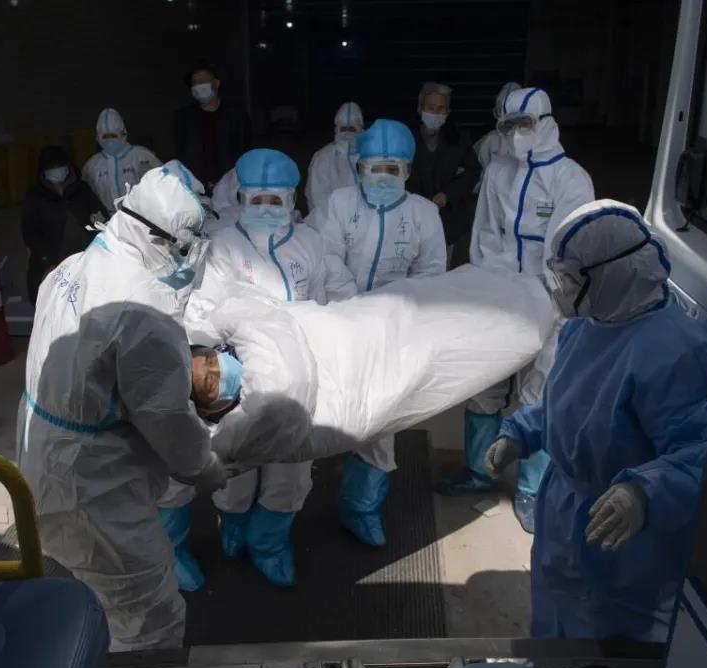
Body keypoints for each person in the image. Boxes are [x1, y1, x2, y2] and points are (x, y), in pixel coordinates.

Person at [483, 199, 707, 642]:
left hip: (622, 536)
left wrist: (643, 493)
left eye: (572, 278)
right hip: (563, 511)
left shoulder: (675, 352)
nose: (561, 290)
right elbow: (569, 404)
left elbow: (702, 452)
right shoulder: (588, 324)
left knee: (608, 649)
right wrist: (522, 431)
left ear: (616, 272)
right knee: (554, 619)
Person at [18, 164, 228, 651]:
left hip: (46, 450)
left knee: (94, 589)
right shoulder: (144, 310)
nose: (190, 257)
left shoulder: (76, 264)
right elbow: (166, 418)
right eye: (186, 246)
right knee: (147, 614)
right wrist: (207, 466)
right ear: (157, 238)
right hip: (94, 482)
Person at [159, 148, 344, 589]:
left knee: (290, 470)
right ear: (239, 198)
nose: (265, 208)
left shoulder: (311, 244)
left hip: (299, 381)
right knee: (236, 466)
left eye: (274, 199)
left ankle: (270, 543)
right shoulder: (221, 246)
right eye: (255, 199)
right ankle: (234, 523)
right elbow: (201, 312)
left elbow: (331, 299)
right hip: (236, 381)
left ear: (292, 199)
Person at [439, 87, 594, 527]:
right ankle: (479, 470)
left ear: (546, 123)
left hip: (550, 301)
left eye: (525, 124)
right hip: (500, 294)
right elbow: (484, 233)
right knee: (484, 382)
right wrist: (490, 284)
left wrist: (552, 298)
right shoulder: (497, 172)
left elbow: (568, 248)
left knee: (539, 392)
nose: (516, 133)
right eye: (508, 126)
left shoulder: (570, 179)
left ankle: (531, 489)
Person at [312, 118, 447, 546]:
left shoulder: (423, 214)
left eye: (393, 169)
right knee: (324, 404)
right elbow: (325, 255)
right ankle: (298, 484)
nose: (383, 177)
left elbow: (431, 273)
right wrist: (354, 301)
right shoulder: (339, 204)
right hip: (339, 321)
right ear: (359, 167)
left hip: (392, 331)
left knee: (381, 419)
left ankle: (361, 508)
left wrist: (392, 310)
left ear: (407, 170)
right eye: (375, 168)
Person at [407, 82, 482, 267]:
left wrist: (449, 194)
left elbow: (472, 172)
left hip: (447, 221)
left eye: (440, 108)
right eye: (430, 107)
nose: (435, 113)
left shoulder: (458, 139)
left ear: (447, 112)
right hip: (409, 218)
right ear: (420, 108)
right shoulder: (406, 137)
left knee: (441, 269)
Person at [21, 145, 107, 303]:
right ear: (43, 173)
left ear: (68, 168)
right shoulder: (34, 197)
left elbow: (101, 218)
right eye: (51, 169)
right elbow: (30, 233)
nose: (56, 172)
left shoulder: (82, 190)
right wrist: (46, 262)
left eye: (60, 168)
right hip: (53, 263)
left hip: (85, 260)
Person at [174, 60, 253, 190]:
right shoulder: (183, 117)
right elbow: (181, 153)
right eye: (194, 83)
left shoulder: (237, 115)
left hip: (231, 186)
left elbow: (246, 150)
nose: (198, 86)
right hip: (197, 187)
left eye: (202, 81)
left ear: (216, 83)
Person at [81, 107, 162, 212]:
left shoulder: (142, 156)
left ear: (123, 133)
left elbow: (163, 186)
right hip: (109, 218)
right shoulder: (92, 165)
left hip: (141, 216)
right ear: (98, 137)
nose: (110, 141)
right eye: (105, 137)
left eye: (113, 136)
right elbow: (87, 197)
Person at [304, 101, 364, 216]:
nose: (347, 133)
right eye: (343, 129)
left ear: (361, 130)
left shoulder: (368, 156)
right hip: (332, 222)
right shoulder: (323, 158)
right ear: (336, 129)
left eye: (352, 129)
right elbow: (317, 198)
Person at [473, 82, 522, 174]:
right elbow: (481, 170)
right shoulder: (490, 140)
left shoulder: (530, 139)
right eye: (502, 111)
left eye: (512, 112)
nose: (508, 118)